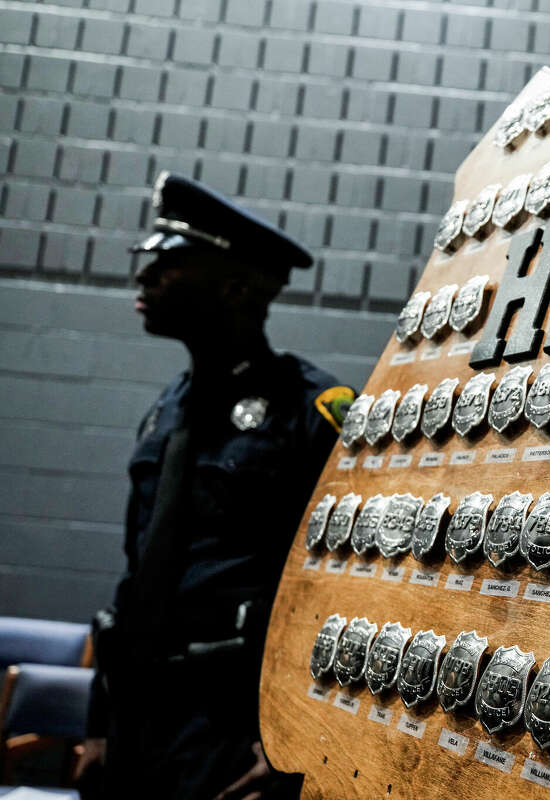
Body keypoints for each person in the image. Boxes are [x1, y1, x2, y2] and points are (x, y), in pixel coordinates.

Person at [77, 172, 354, 798]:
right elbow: (136, 577)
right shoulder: (165, 411)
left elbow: (342, 592)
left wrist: (298, 733)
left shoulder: (312, 411)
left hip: (232, 728)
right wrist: (99, 722)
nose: (144, 275)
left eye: (168, 261)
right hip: (137, 721)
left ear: (234, 286)